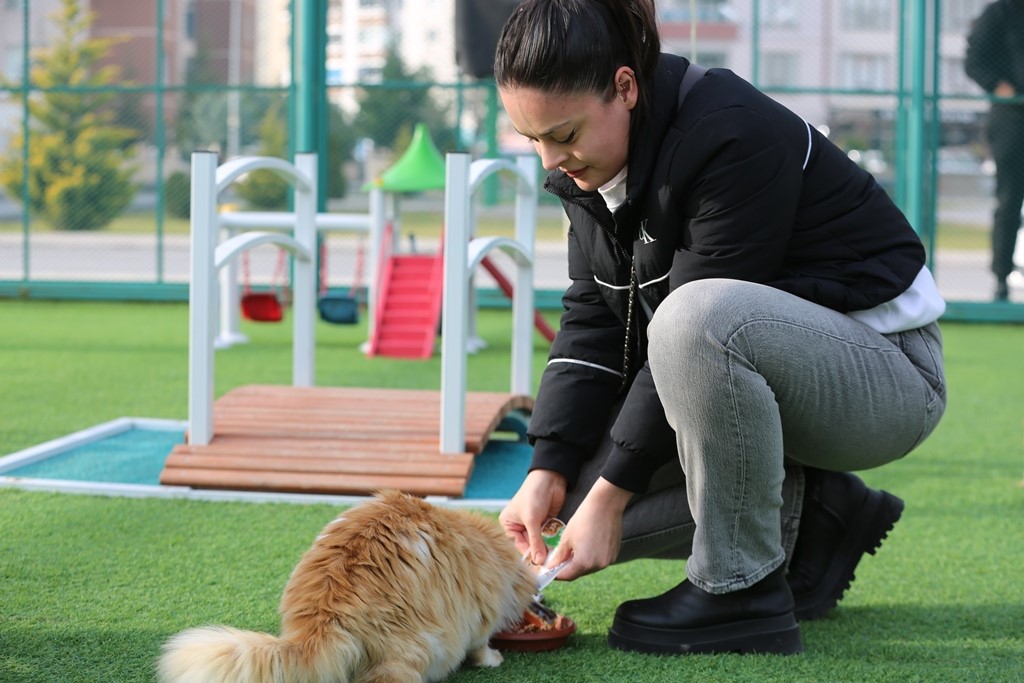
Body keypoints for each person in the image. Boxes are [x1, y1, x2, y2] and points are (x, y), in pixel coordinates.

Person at [494, 0, 947, 656]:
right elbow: (592, 318)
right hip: (771, 370)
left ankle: (741, 591)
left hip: (889, 374)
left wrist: (613, 498)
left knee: (693, 319)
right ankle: (813, 519)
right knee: (572, 492)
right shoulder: (589, 172)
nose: (550, 160)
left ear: (625, 87)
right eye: (533, 139)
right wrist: (549, 467)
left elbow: (696, 325)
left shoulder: (731, 133)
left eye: (562, 135)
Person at [965, 0, 1024, 302]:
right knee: (1009, 200)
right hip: (1012, 118)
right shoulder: (1000, 12)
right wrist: (1006, 91)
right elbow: (974, 60)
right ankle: (1002, 279)